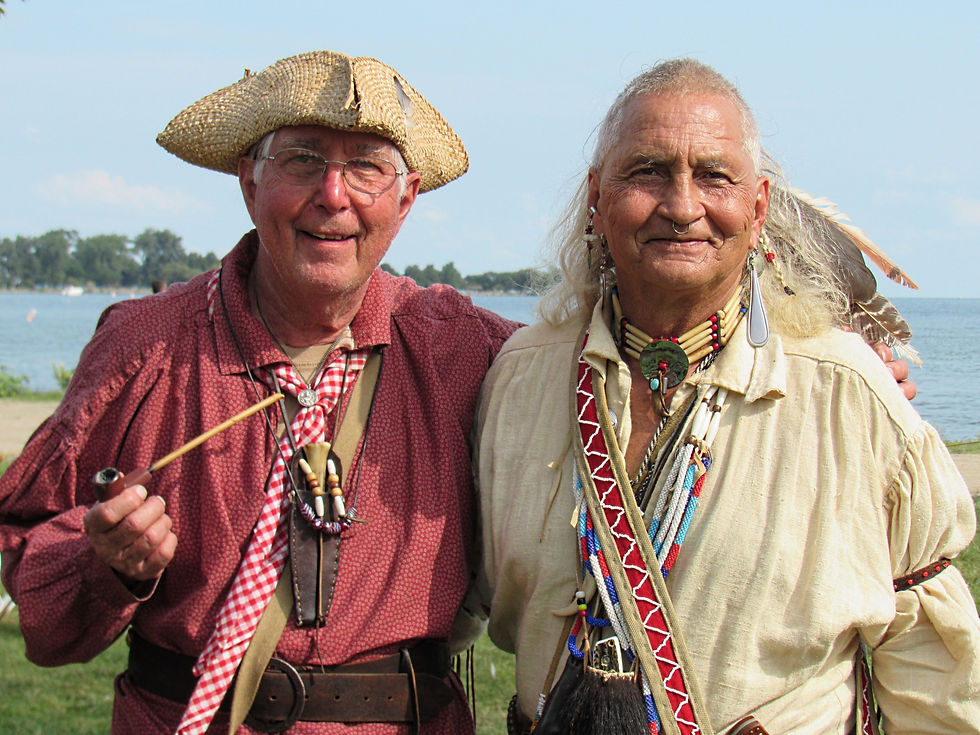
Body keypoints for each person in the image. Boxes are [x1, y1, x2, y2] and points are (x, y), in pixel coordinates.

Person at [0, 50, 517, 734]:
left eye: (366, 167)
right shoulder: (143, 346)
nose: (333, 194)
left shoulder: (467, 349)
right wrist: (105, 563)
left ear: (405, 198)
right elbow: (36, 591)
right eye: (302, 160)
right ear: (249, 180)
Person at [474, 59, 979, 734]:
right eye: (647, 171)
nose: (683, 207)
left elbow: (935, 674)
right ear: (597, 196)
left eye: (714, 175)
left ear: (759, 205)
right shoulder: (520, 378)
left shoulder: (849, 394)